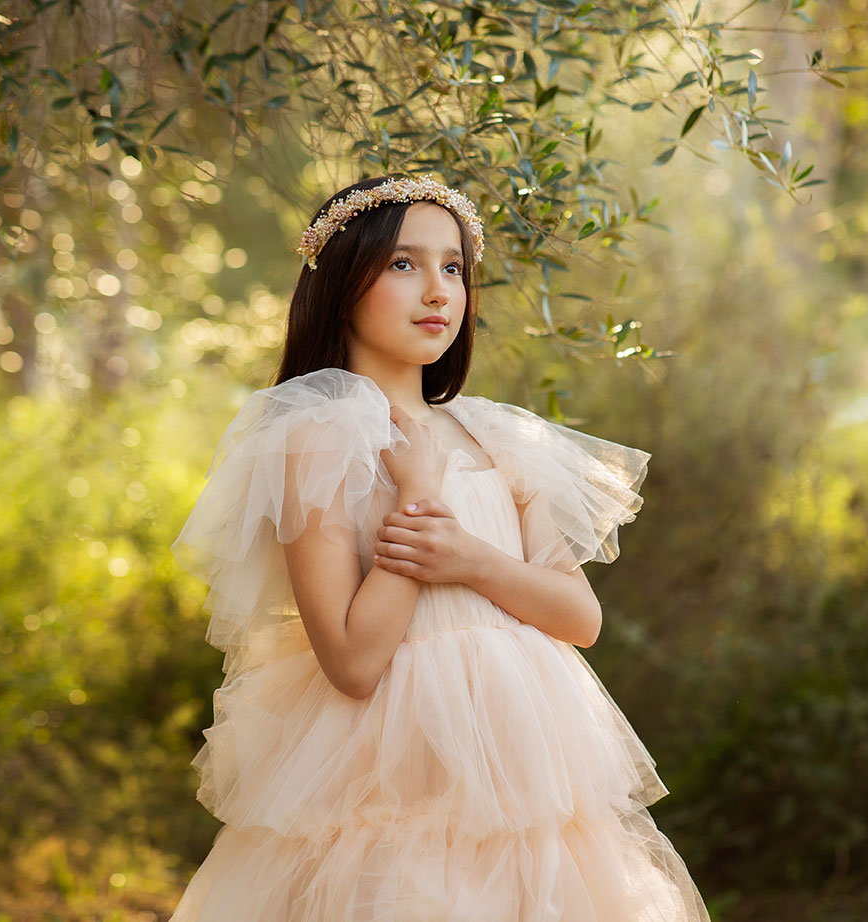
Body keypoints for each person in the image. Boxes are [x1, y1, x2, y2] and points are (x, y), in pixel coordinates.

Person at [167, 174, 710, 921]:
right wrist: (416, 498)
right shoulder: (315, 437)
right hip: (385, 778)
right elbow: (354, 663)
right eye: (403, 264)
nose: (437, 291)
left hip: (524, 779)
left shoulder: (500, 435)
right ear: (343, 282)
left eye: (452, 267)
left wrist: (472, 560)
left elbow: (579, 618)